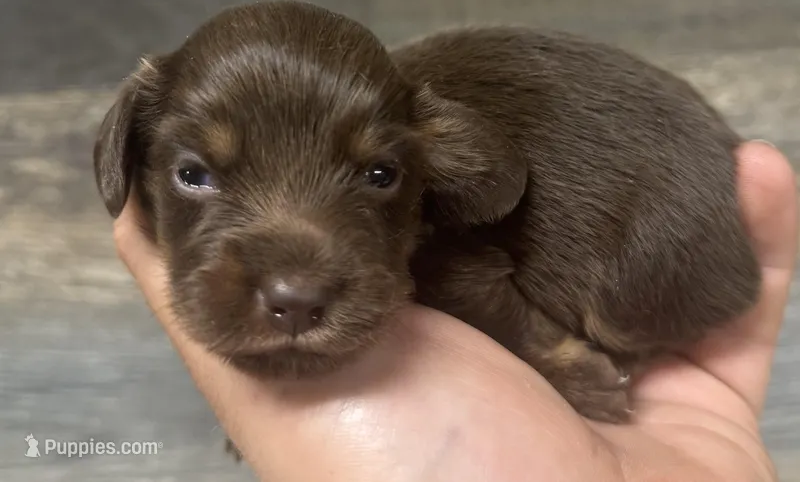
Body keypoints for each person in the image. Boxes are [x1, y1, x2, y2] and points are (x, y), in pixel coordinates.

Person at [112, 140, 797, 482]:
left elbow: (485, 255)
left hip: (664, 255)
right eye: (195, 174)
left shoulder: (445, 222)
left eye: (378, 177)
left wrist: (564, 361)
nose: (290, 285)